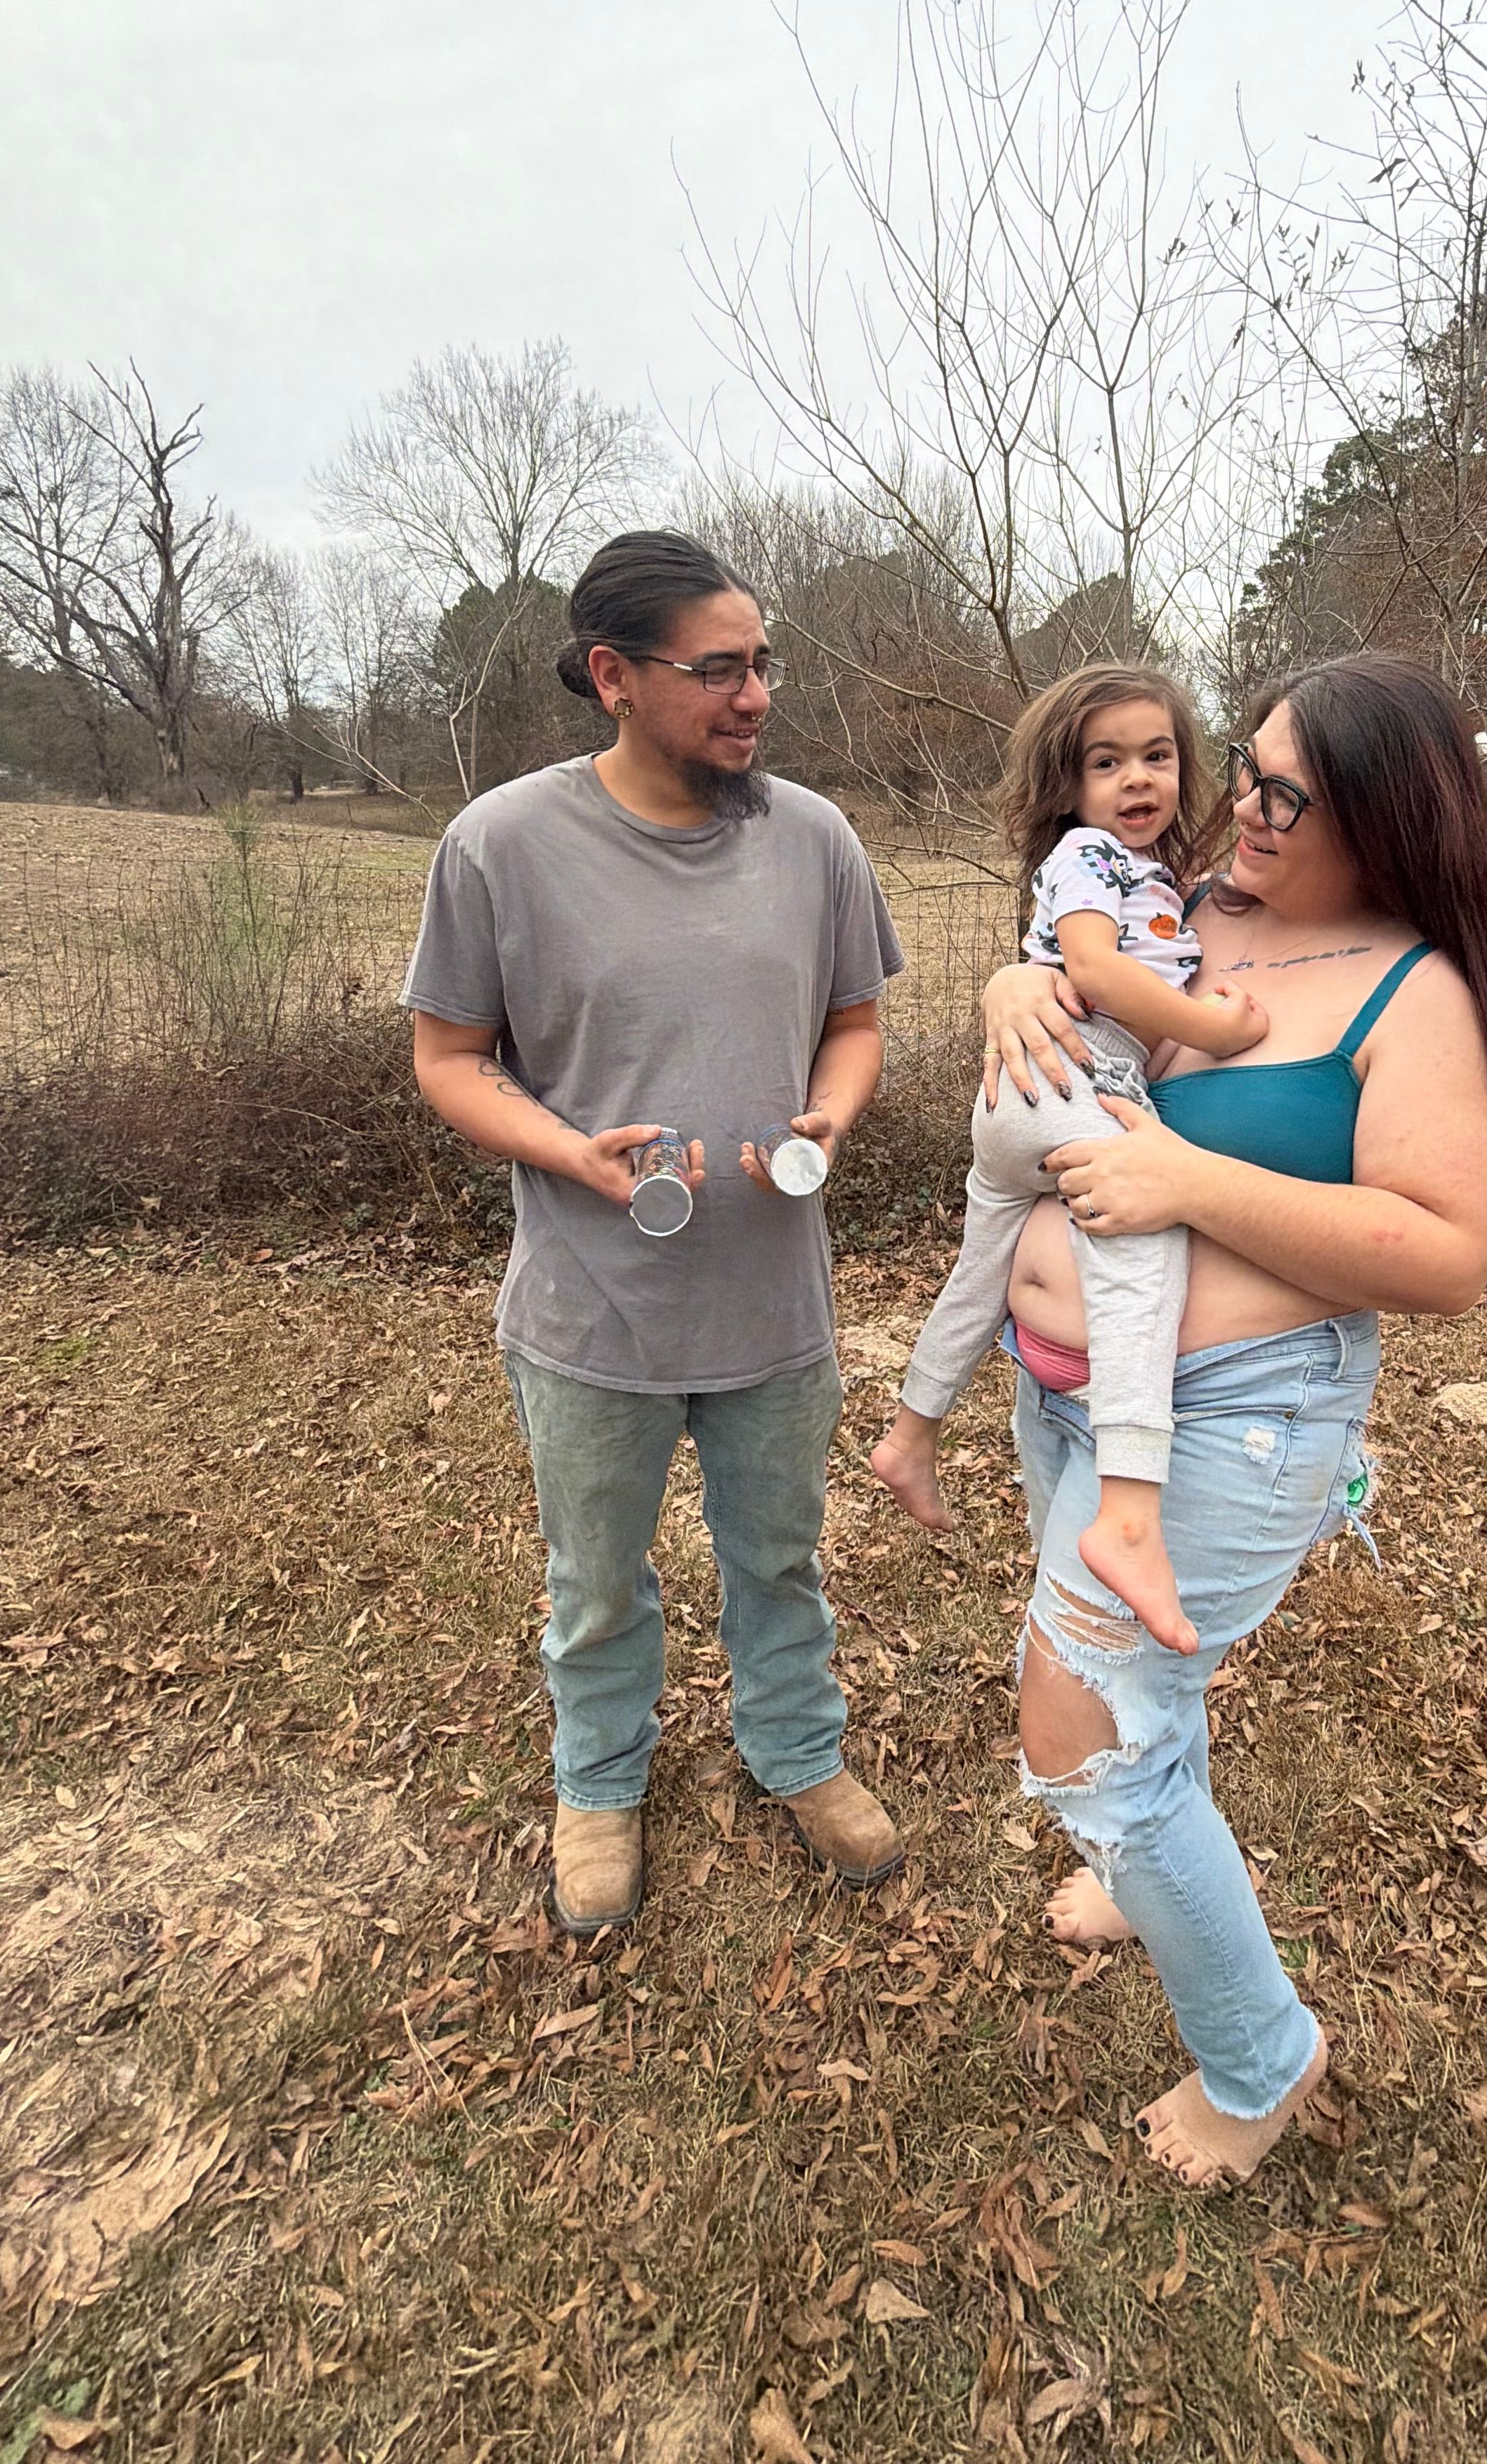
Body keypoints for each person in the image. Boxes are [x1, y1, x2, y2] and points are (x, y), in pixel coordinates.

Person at [978, 655, 1487, 2189]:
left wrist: (1194, 1184)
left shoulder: (1410, 987)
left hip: (1240, 1416)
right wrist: (1015, 981)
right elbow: (1078, 970)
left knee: (1079, 1729)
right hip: (1081, 1387)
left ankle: (1261, 2060)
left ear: (1384, 819)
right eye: (1250, 766)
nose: (1242, 804)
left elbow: (1447, 1254)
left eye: (1288, 794)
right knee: (1146, 1705)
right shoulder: (1196, 908)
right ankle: (1139, 1861)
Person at [402, 530, 907, 1936]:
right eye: (720, 671)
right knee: (595, 1579)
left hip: (771, 1304)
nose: (756, 697)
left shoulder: (815, 839)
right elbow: (448, 1059)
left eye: (764, 665)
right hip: (587, 1305)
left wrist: (828, 1117)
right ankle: (601, 1778)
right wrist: (570, 1151)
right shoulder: (500, 846)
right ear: (614, 677)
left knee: (779, 1555)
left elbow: (857, 1021)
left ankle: (798, 1751)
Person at [872, 666, 1266, 1653]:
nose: (1137, 778)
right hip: (1070, 1083)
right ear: (1069, 787)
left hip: (1024, 1106)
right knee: (1146, 1236)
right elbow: (1090, 971)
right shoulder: (1091, 856)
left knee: (981, 1271)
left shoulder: (1157, 878)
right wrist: (1212, 1030)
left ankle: (912, 1431)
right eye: (1107, 762)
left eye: (1158, 756)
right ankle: (1131, 1517)